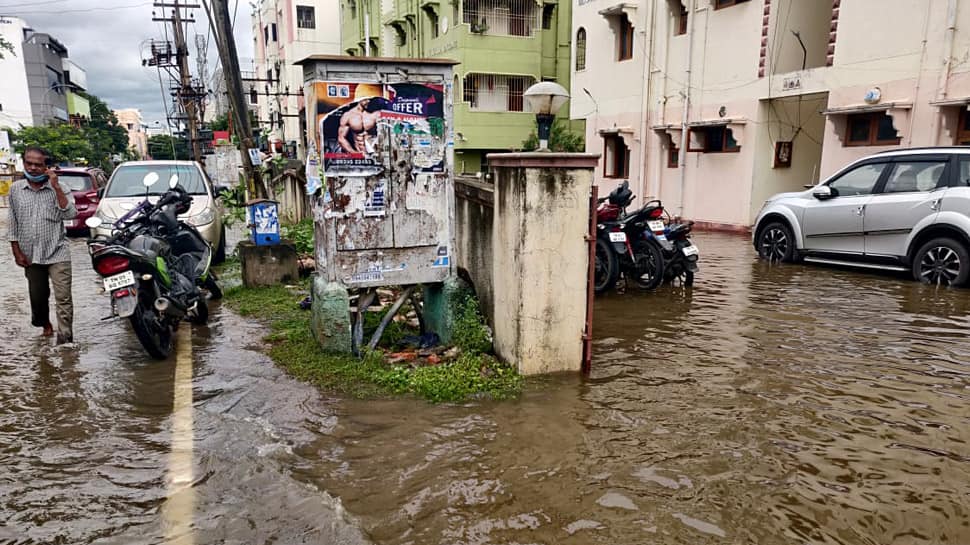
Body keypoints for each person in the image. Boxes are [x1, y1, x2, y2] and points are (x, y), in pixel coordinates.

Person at [6, 146, 77, 344]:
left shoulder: (60, 187)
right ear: (24, 163)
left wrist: (56, 187)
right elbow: (12, 222)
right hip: (30, 254)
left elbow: (70, 214)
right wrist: (16, 251)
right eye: (29, 163)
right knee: (38, 297)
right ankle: (45, 324)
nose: (33, 168)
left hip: (58, 252)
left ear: (47, 166)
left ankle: (65, 338)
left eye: (38, 164)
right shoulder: (16, 190)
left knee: (63, 298)